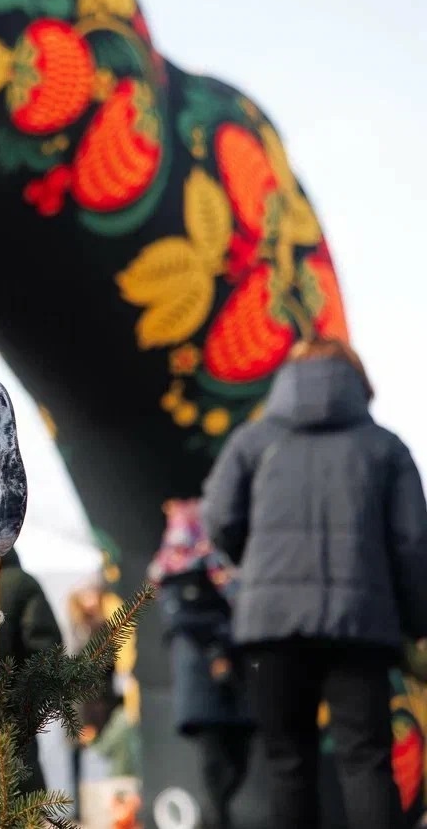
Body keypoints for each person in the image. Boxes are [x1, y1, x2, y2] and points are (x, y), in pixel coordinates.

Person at [202, 336, 427, 828]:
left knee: (288, 763)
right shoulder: (386, 448)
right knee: (366, 761)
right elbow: (413, 544)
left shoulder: (252, 441)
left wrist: (256, 566)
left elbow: (218, 518)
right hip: (362, 625)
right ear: (358, 381)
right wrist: (415, 620)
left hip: (271, 626)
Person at [148, 498, 251, 829]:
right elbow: (183, 622)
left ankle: (219, 818)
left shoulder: (223, 571)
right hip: (203, 680)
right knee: (216, 763)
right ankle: (218, 822)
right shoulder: (172, 574)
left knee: (238, 760)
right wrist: (218, 643)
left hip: (235, 679)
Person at [0, 547, 62, 792]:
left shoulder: (16, 585)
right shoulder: (20, 584)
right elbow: (48, 656)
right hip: (9, 732)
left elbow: (45, 657)